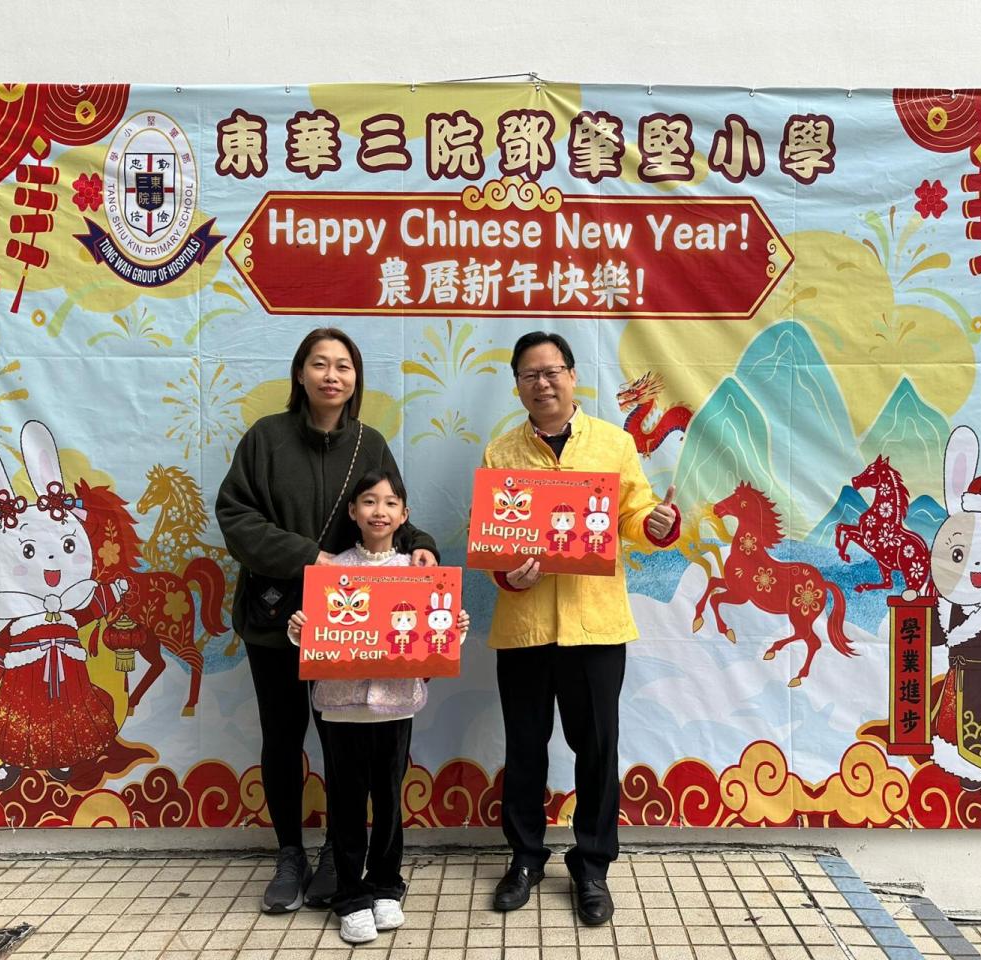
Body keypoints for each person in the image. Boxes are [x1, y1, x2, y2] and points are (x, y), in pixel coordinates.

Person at [216, 328, 439, 913]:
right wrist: (309, 558)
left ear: (356, 378)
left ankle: (339, 855)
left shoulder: (369, 443)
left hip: (348, 625)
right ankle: (290, 853)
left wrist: (422, 545)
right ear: (300, 373)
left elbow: (388, 508)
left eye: (343, 365)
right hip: (275, 618)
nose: (331, 375)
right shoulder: (265, 439)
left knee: (346, 746)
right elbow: (235, 517)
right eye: (320, 364)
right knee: (282, 737)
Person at [482, 331, 680, 925]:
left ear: (572, 377)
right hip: (524, 627)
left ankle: (592, 866)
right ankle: (524, 859)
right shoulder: (501, 453)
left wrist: (658, 523)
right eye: (530, 375)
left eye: (552, 372)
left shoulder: (613, 443)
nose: (542, 383)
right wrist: (507, 574)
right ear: (517, 385)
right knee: (524, 749)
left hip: (595, 627)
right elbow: (491, 535)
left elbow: (636, 513)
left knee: (596, 750)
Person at [288, 469, 470, 944]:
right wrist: (301, 629)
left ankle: (387, 884)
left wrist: (453, 628)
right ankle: (351, 895)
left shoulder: (419, 571)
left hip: (396, 705)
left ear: (404, 515)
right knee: (346, 802)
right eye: (369, 501)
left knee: (389, 798)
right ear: (353, 511)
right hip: (340, 705)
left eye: (390, 503)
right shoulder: (331, 571)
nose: (379, 511)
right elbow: (316, 637)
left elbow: (433, 640)